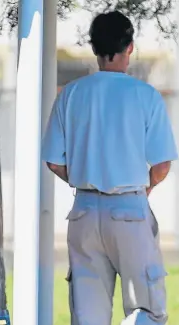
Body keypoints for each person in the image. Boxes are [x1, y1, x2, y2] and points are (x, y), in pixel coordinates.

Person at [42, 11, 177, 325]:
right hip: (130, 209)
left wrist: (82, 182)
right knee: (147, 311)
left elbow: (53, 160)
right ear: (130, 46)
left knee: (87, 316)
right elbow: (161, 164)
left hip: (83, 213)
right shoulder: (145, 96)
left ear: (93, 48)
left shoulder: (71, 94)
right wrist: (146, 187)